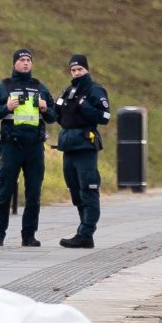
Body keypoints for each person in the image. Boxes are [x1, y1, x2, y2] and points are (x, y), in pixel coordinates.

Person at [0, 48, 57, 247]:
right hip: (11, 147)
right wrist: (6, 108)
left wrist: (45, 108)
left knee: (34, 193)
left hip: (34, 148)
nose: (25, 63)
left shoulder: (39, 87)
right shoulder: (4, 87)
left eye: (28, 60)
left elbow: (55, 116)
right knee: (4, 191)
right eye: (22, 60)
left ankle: (29, 236)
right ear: (15, 63)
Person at [56, 54, 110, 249]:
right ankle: (83, 233)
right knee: (76, 191)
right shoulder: (69, 91)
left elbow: (104, 117)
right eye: (73, 70)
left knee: (89, 189)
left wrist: (84, 106)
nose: (76, 73)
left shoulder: (95, 90)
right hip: (69, 145)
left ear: (87, 69)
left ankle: (86, 232)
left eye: (80, 69)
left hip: (85, 146)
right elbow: (59, 115)